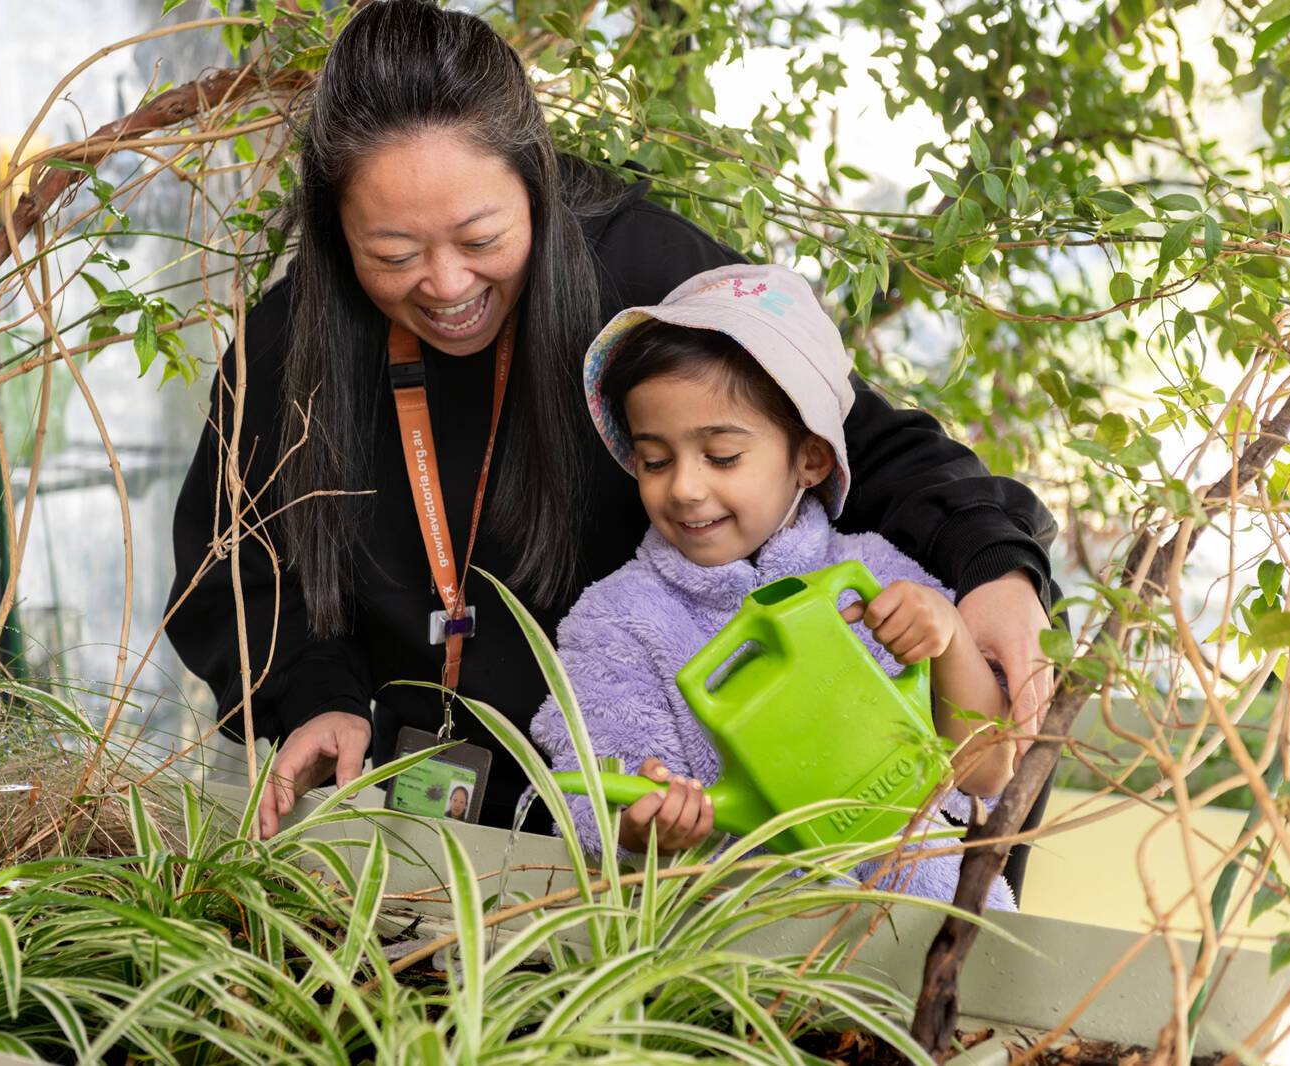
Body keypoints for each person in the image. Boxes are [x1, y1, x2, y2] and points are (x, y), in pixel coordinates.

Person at [164, 0, 1058, 893]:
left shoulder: (646, 281)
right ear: (336, 232)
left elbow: (848, 438)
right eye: (392, 252)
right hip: (404, 823)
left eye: (481, 239)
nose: (444, 284)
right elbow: (223, 569)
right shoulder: (290, 341)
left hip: (647, 844)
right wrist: (308, 692)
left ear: (537, 183)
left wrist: (996, 572)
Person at [530, 263, 1017, 909]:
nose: (684, 487)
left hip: (924, 932)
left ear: (811, 459)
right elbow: (586, 797)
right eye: (654, 460)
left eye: (722, 456)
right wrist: (644, 831)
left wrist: (950, 638)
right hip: (725, 948)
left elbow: (984, 772)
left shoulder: (880, 579)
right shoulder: (614, 621)